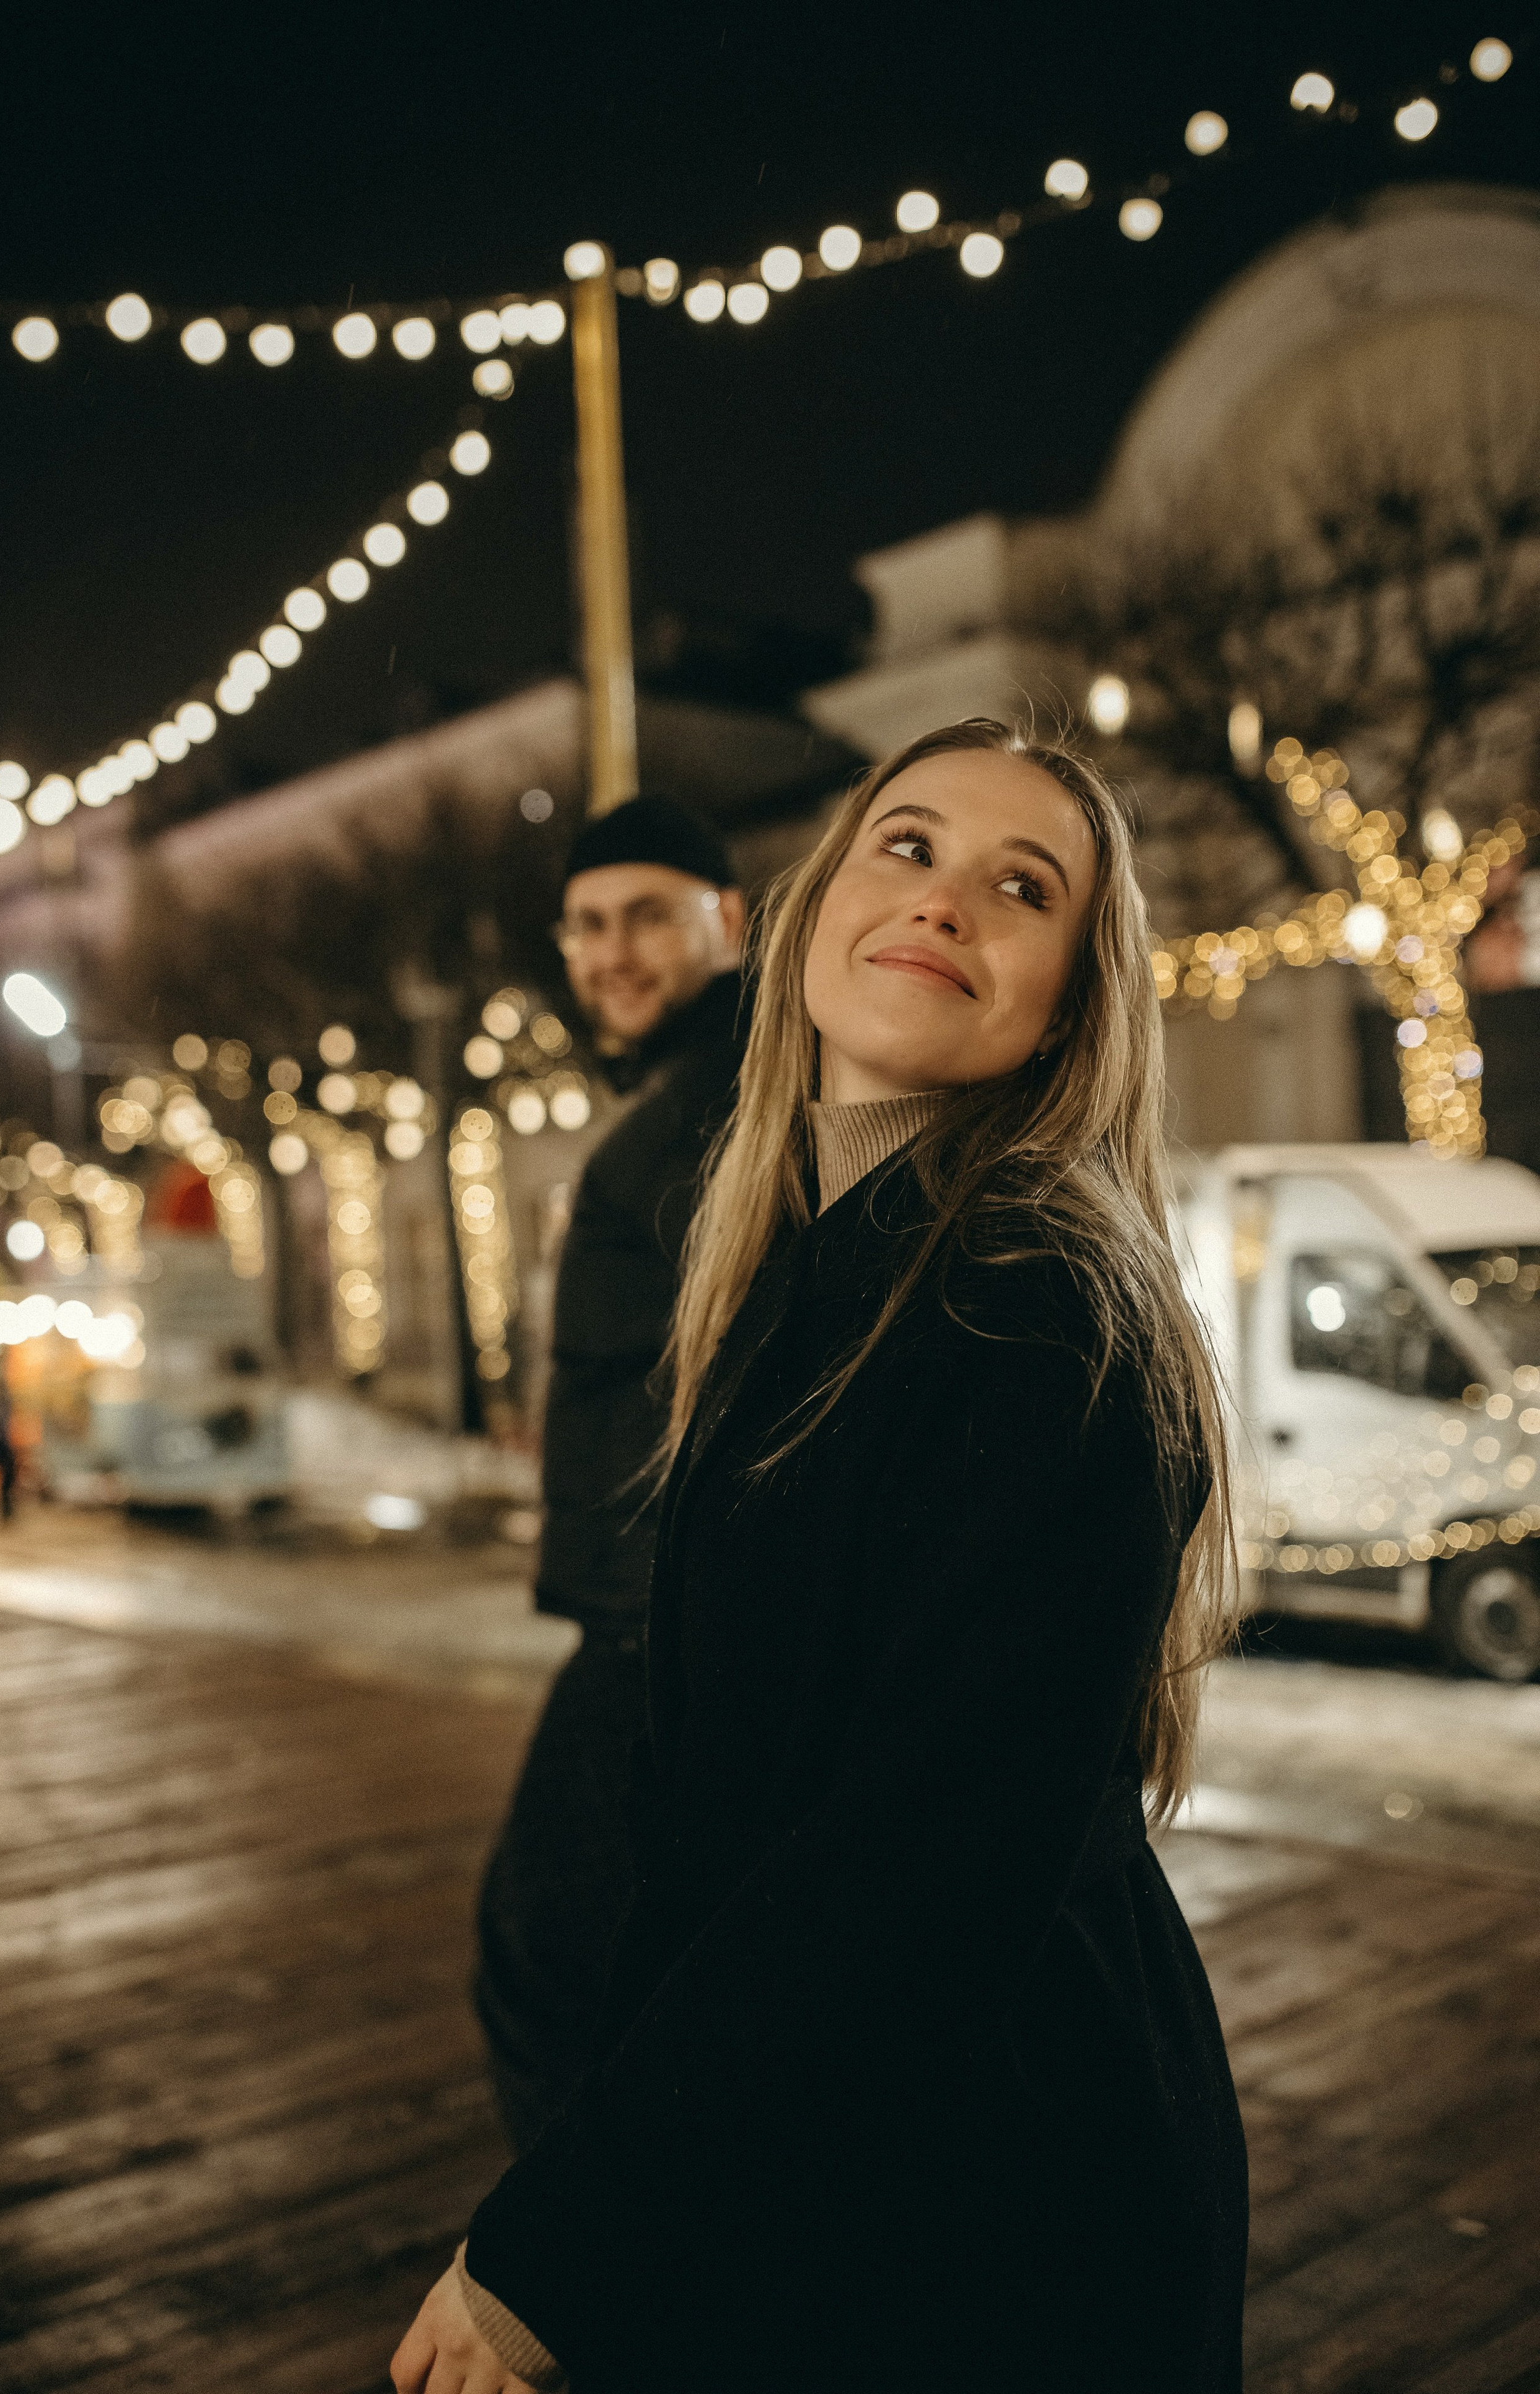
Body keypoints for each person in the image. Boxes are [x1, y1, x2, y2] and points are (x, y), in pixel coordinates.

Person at [398, 720, 1249, 2394]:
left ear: (1074, 997)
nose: (944, 903)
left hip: (997, 2189)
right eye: (907, 845)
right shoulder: (814, 1248)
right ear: (810, 916)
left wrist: (563, 2241)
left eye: (1023, 886)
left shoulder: (1034, 1306)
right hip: (869, 2144)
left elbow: (912, 1866)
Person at [474, 792, 747, 2153]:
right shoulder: (692, 1099)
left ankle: (566, 2292)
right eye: (585, 924)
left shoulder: (719, 1110)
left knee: (543, 1956)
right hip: (657, 1613)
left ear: (732, 923)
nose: (610, 951)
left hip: (659, 1627)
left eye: (648, 915)